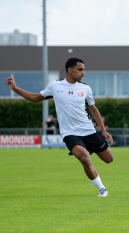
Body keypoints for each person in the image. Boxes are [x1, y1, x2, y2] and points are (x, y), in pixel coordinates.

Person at [6, 57, 114, 197]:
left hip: (88, 131)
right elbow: (34, 97)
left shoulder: (85, 88)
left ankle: (100, 183)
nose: (83, 73)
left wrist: (103, 130)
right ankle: (102, 189)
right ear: (70, 70)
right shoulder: (55, 86)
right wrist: (15, 88)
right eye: (80, 69)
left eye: (84, 70)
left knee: (109, 159)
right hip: (70, 133)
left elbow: (93, 110)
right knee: (84, 159)